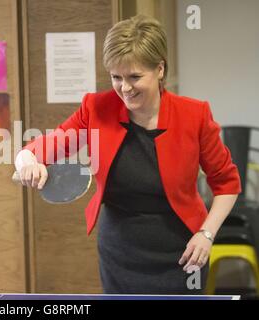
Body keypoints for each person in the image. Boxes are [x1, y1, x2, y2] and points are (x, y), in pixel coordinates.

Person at [15, 15, 241, 294]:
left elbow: (227, 183)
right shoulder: (96, 108)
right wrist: (27, 161)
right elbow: (43, 146)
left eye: (135, 77)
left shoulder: (194, 115)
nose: (124, 88)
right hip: (119, 255)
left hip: (184, 252)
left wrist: (207, 234)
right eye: (116, 77)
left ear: (159, 69)